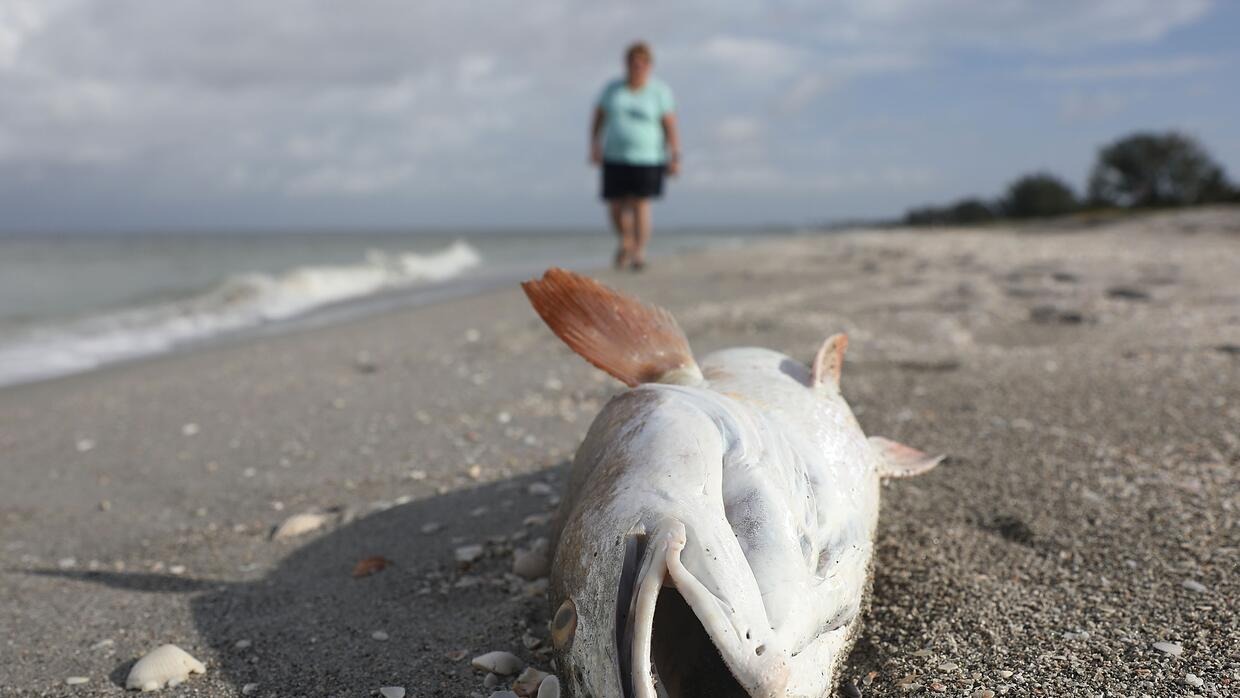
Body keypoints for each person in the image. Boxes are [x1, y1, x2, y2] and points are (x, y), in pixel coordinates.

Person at [590, 41, 680, 271]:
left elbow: (669, 124)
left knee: (641, 203)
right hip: (614, 155)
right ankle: (626, 239)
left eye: (642, 63)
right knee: (615, 206)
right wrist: (594, 144)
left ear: (649, 66)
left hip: (648, 157)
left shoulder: (659, 91)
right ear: (626, 64)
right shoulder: (613, 89)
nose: (637, 67)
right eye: (633, 63)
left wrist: (675, 155)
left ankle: (639, 251)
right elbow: (599, 117)